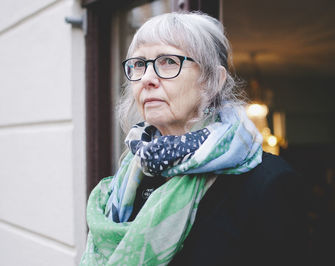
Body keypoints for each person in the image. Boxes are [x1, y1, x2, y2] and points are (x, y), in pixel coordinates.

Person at [80, 11, 307, 266]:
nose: (147, 79)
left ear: (212, 81)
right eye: (139, 64)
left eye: (167, 61)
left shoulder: (268, 182)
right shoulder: (130, 177)